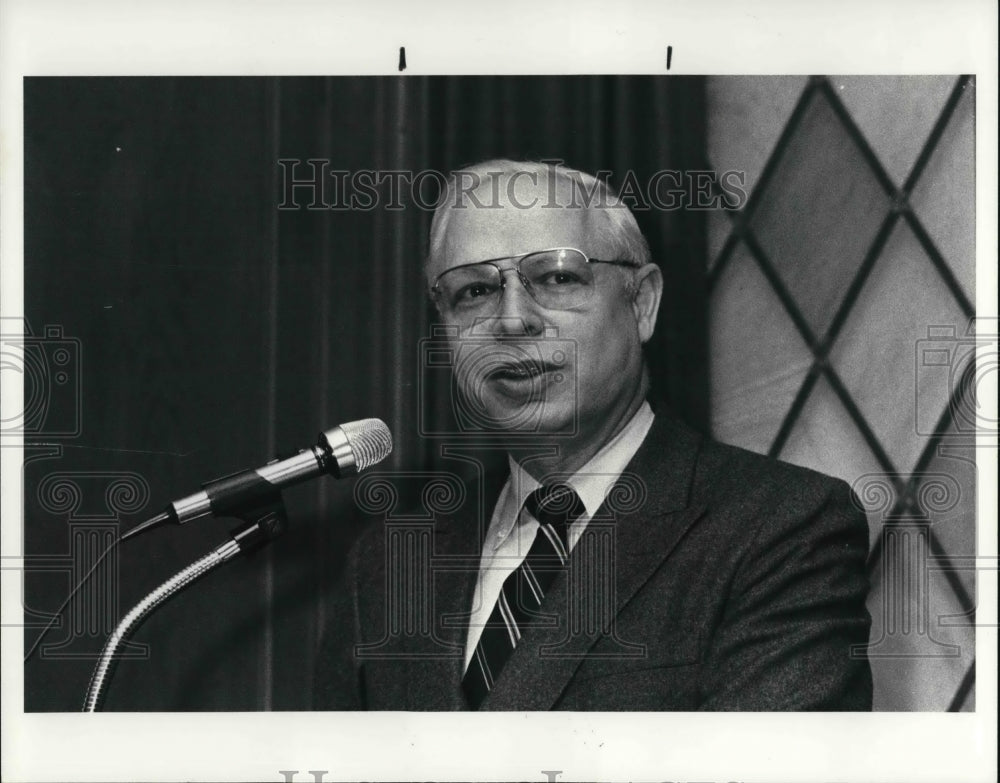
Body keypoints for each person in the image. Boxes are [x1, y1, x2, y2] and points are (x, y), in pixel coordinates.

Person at [314, 159, 873, 711]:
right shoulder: (387, 566)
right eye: (474, 292)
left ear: (642, 302)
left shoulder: (780, 526)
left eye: (556, 277)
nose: (512, 321)